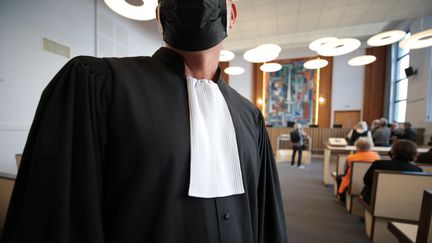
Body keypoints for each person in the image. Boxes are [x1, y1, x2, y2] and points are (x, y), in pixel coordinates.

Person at [0, 1, 288, 242]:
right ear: (160, 15)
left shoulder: (250, 118)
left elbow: (266, 225)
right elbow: (58, 222)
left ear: (232, 15)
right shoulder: (98, 87)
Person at [361, 140, 423, 204]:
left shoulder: (378, 164)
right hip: (405, 202)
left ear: (393, 151)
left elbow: (366, 181)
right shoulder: (417, 169)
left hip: (376, 200)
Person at [337, 138, 380, 202]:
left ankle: (342, 199)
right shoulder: (376, 156)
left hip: (352, 180)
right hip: (370, 180)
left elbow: (345, 170)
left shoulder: (351, 157)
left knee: (339, 177)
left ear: (357, 147)